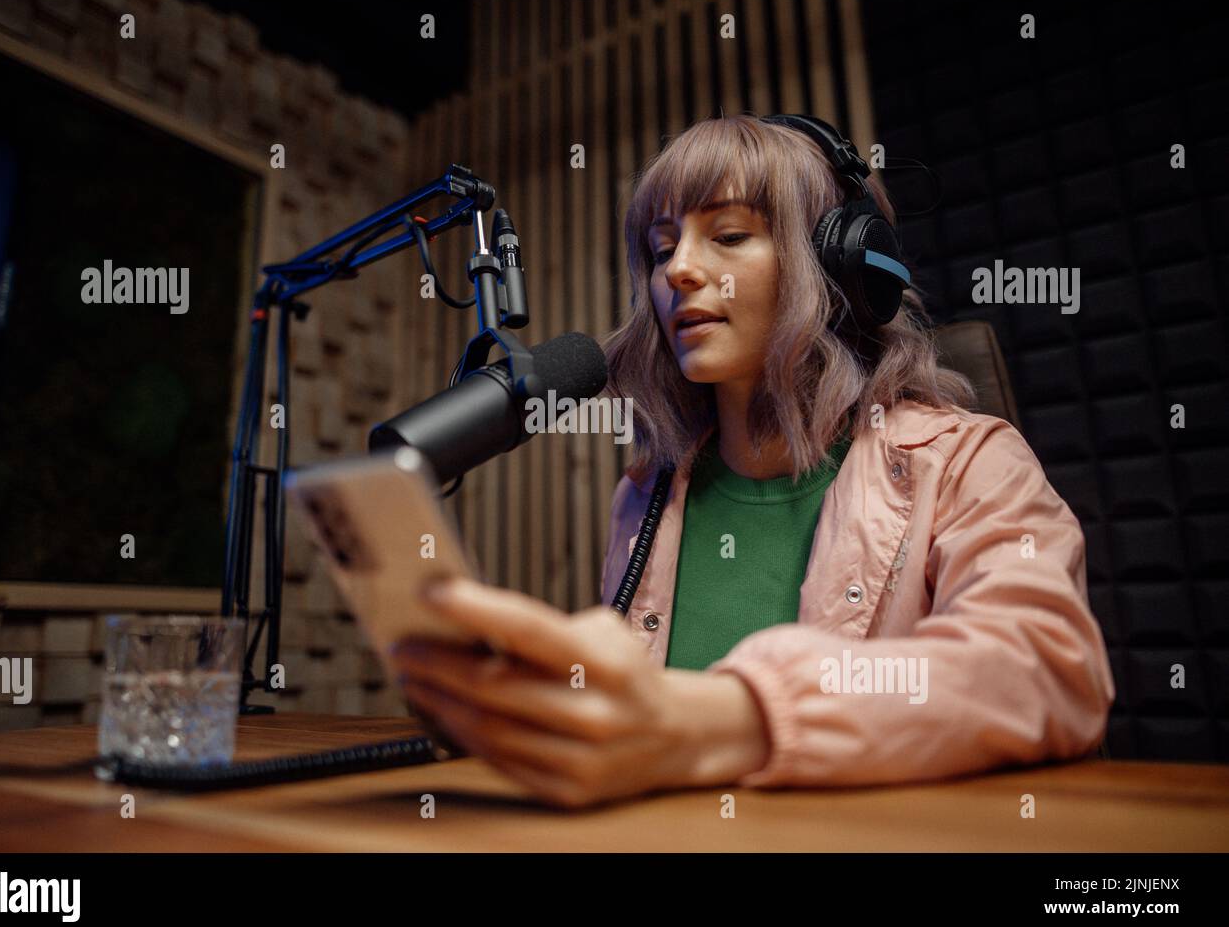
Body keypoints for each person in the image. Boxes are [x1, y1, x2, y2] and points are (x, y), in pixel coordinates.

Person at [391, 114, 1115, 809]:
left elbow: (1047, 669)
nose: (679, 270)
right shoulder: (647, 491)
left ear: (840, 263)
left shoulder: (967, 461)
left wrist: (740, 718)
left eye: (729, 235)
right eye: (661, 246)